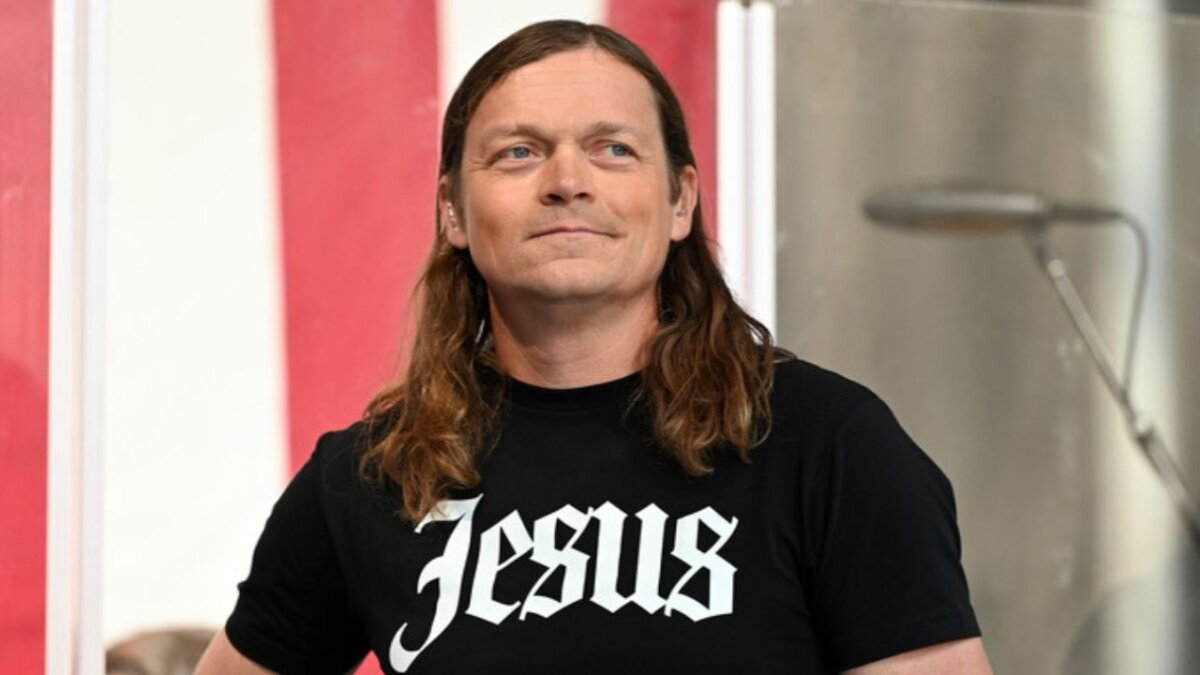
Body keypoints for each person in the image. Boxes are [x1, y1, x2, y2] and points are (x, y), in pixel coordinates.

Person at [196, 20, 992, 675]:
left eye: (613, 148)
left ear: (680, 200)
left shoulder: (829, 444)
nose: (567, 181)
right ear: (453, 211)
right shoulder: (371, 474)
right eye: (519, 151)